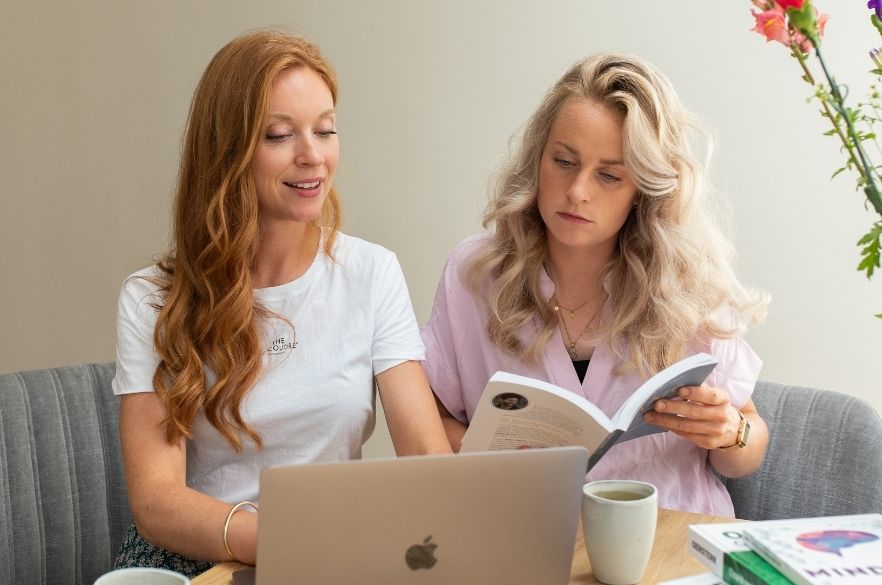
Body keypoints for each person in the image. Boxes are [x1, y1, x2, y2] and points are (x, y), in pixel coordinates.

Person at [111, 29, 451, 577]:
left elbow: (428, 460)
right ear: (228, 151)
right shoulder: (151, 299)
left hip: (325, 558)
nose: (312, 156)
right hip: (194, 562)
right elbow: (155, 503)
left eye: (325, 130)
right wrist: (290, 542)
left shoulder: (371, 273)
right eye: (278, 135)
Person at [422, 53, 770, 516]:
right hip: (524, 532)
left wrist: (731, 432)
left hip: (668, 541)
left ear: (644, 190)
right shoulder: (476, 272)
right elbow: (433, 417)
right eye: (563, 161)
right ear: (538, 157)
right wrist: (485, 459)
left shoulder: (690, 287)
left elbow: (747, 446)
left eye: (609, 175)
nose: (578, 191)